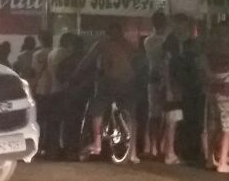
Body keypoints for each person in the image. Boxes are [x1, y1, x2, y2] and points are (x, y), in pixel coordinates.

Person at [81, 23, 138, 163]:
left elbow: (87, 61)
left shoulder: (102, 44)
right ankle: (133, 152)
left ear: (108, 34)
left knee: (97, 107)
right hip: (129, 81)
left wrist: (76, 74)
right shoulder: (129, 45)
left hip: (110, 81)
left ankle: (97, 143)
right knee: (130, 113)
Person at [204, 18, 229, 174]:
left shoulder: (210, 50)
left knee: (213, 127)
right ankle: (222, 162)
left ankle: (209, 158)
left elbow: (205, 68)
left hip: (213, 91)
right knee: (228, 128)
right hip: (228, 91)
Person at [161, 13, 191, 165]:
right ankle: (169, 153)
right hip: (173, 85)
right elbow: (166, 66)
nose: (184, 28)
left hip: (179, 85)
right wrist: (168, 88)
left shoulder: (181, 42)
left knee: (175, 119)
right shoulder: (171, 42)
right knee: (172, 119)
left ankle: (169, 150)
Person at [143, 11, 169, 159]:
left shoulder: (148, 41)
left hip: (153, 77)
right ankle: (159, 146)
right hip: (161, 77)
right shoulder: (162, 40)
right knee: (163, 114)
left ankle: (153, 147)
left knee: (154, 114)